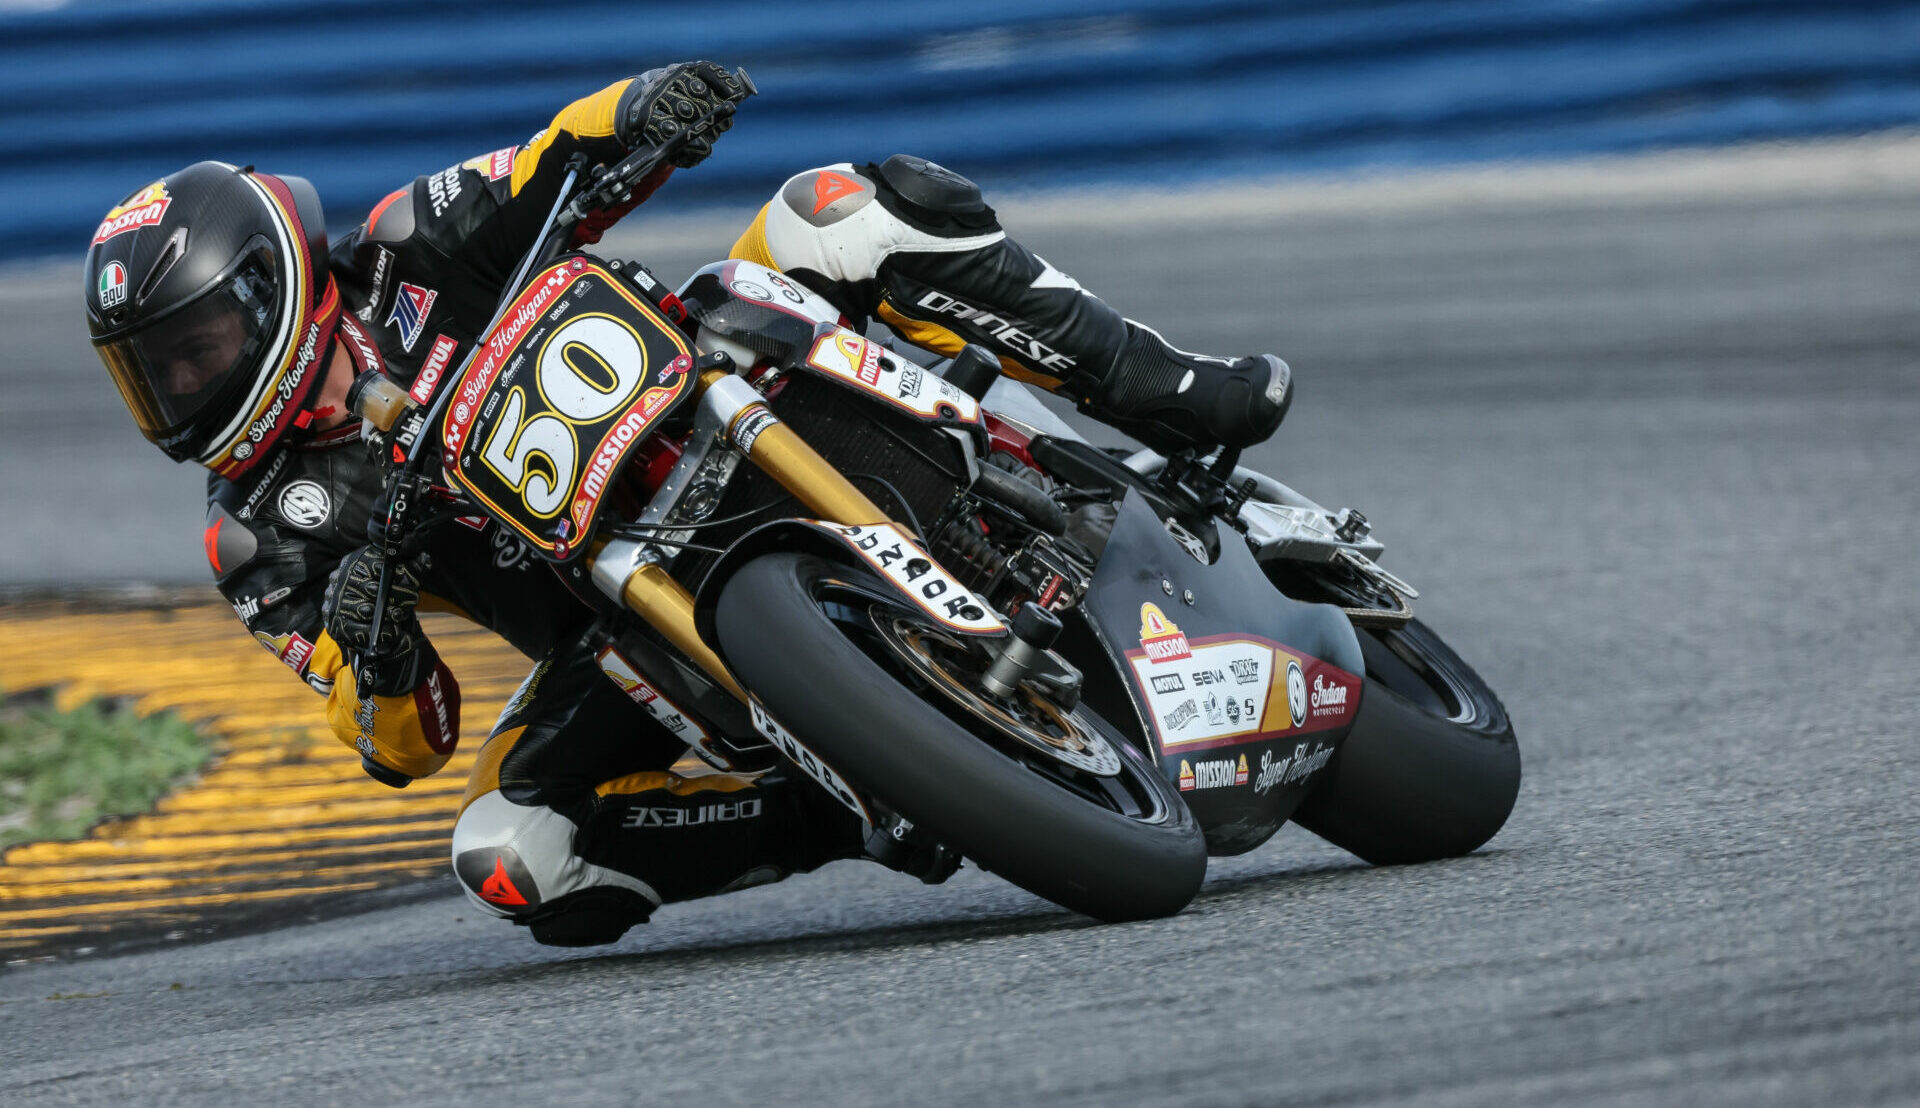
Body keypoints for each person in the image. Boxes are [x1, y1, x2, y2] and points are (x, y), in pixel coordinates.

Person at [81, 62, 1290, 946]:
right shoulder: (254, 530)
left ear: (271, 285)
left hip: (728, 388)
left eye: (194, 345)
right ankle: (863, 789)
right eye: (156, 370)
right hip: (626, 632)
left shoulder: (410, 242)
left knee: (838, 206)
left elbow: (561, 154)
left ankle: (1165, 389)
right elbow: (401, 741)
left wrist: (651, 104)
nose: (184, 384)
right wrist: (382, 643)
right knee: (509, 854)